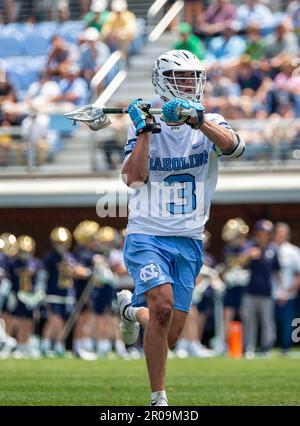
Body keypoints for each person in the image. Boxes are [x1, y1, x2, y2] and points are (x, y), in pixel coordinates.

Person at [117, 49, 245, 406]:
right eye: (182, 78)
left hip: (188, 238)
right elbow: (134, 178)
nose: (190, 84)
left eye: (194, 78)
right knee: (161, 307)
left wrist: (197, 120)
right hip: (147, 232)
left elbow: (236, 148)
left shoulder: (211, 120)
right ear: (163, 82)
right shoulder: (143, 122)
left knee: (169, 331)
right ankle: (159, 398)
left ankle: (130, 310)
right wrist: (144, 130)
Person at [240, 219, 282, 359]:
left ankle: (266, 347)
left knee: (267, 321)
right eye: (263, 232)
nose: (265, 235)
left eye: (268, 232)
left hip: (267, 292)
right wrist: (248, 255)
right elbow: (239, 263)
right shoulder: (250, 246)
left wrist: (282, 290)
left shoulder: (273, 249)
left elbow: (277, 272)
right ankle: (248, 347)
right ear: (258, 233)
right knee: (249, 321)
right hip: (250, 291)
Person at [273, 222, 300, 353]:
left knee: (287, 324)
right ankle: (268, 347)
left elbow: (298, 273)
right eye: (279, 233)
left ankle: (285, 348)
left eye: (283, 234)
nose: (281, 236)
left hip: (288, 295)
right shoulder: (269, 249)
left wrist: (289, 290)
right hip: (270, 294)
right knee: (270, 324)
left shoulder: (293, 251)